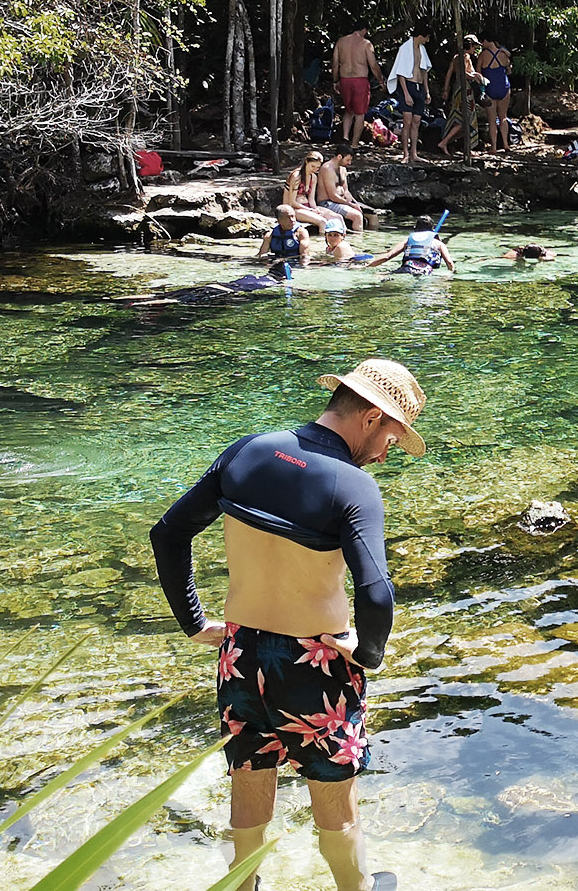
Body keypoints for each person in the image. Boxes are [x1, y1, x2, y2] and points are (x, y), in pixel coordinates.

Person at [150, 359, 426, 891]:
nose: (388, 451)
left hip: (241, 653)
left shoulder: (248, 450)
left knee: (250, 778)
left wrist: (193, 621)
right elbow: (376, 592)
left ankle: (243, 884)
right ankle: (355, 887)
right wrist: (366, 652)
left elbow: (169, 534)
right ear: (370, 417)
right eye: (392, 435)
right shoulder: (353, 485)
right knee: (335, 802)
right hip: (315, 664)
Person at [385, 24, 433, 165]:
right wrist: (406, 93)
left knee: (416, 122)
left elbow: (424, 71)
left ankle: (414, 153)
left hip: (419, 87)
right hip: (409, 85)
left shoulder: (422, 49)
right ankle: (405, 153)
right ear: (421, 35)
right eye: (427, 37)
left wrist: (427, 91)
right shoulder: (405, 48)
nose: (427, 40)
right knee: (407, 121)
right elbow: (401, 73)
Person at [332, 24, 380, 148]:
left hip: (345, 80)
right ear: (363, 29)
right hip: (360, 81)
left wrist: (335, 80)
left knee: (349, 110)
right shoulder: (366, 44)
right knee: (360, 113)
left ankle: (345, 137)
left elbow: (335, 63)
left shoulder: (341, 42)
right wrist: (380, 80)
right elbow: (373, 65)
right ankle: (354, 144)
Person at [436, 35, 486, 156]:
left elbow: (450, 73)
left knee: (460, 119)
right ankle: (454, 144)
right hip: (464, 90)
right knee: (467, 119)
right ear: (469, 45)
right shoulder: (465, 57)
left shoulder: (456, 57)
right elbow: (464, 73)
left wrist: (446, 89)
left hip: (456, 89)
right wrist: (475, 77)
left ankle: (451, 143)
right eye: (474, 46)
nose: (475, 49)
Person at [362, 215, 456, 276]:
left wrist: (367, 266)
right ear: (432, 229)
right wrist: (452, 274)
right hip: (425, 272)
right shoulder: (439, 243)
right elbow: (449, 263)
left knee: (381, 275)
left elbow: (387, 256)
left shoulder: (408, 240)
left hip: (406, 268)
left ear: (415, 228)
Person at [319, 146, 376, 232]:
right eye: (348, 160)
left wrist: (356, 203)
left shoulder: (343, 169)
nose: (349, 163)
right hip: (327, 203)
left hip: (342, 201)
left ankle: (372, 240)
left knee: (373, 214)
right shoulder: (327, 169)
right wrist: (351, 205)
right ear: (339, 157)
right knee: (357, 216)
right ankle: (357, 242)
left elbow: (346, 191)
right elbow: (332, 196)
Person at [476, 36, 515, 151]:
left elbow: (478, 73)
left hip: (490, 88)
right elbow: (509, 70)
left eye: (483, 41)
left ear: (488, 40)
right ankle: (505, 144)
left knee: (491, 120)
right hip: (504, 87)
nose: (482, 43)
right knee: (503, 117)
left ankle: (493, 147)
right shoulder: (503, 54)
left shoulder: (483, 55)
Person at [284, 151, 333, 234]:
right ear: (306, 162)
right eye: (312, 166)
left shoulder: (313, 177)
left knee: (337, 217)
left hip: (307, 206)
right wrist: (310, 210)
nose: (314, 169)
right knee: (322, 222)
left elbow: (311, 199)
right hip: (294, 209)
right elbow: (292, 202)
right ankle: (322, 244)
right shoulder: (296, 177)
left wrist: (315, 209)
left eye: (317, 168)